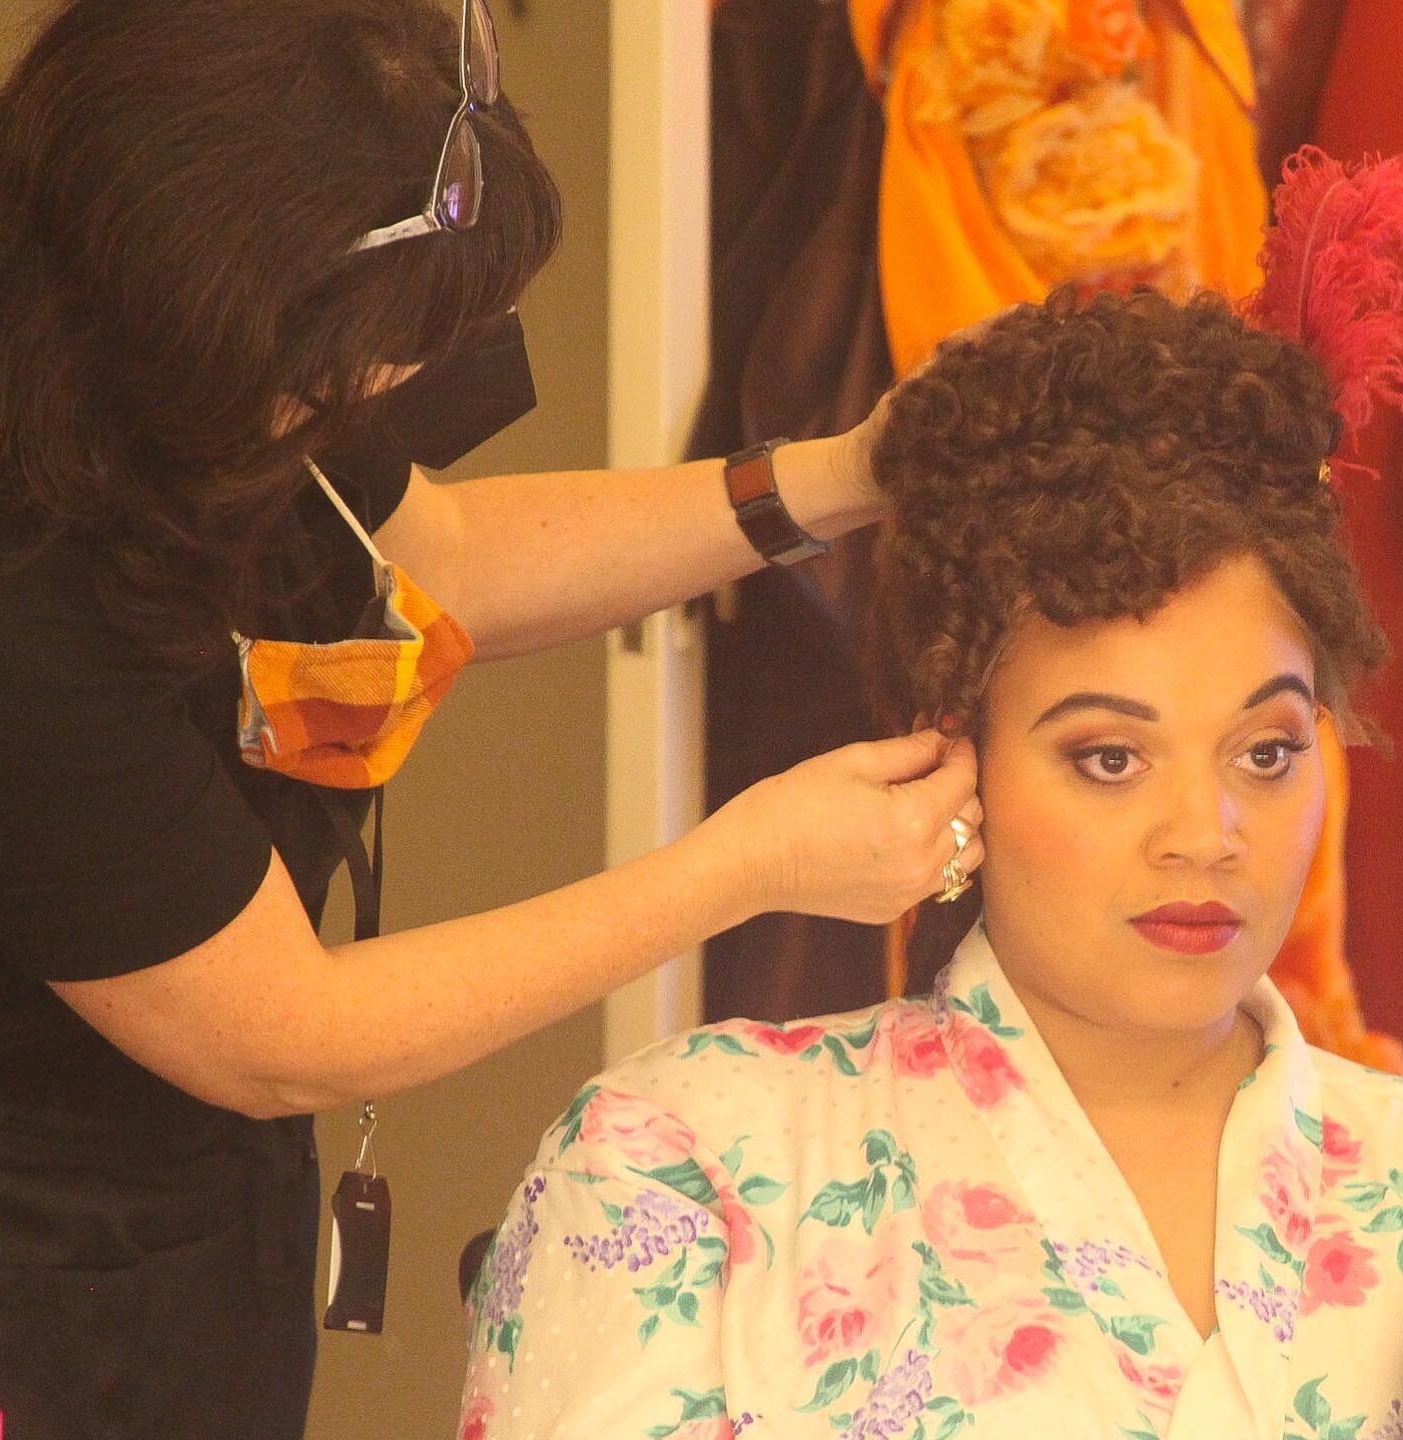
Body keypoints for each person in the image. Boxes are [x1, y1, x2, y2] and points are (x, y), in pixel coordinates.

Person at [0, 2, 985, 1437]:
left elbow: (426, 554)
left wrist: (838, 475)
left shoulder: (163, 327)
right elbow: (276, 1025)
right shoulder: (5, 589)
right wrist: (744, 865)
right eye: (368, 363)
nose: (391, 391)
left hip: (198, 1232)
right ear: (218, 309)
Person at [456, 285, 1403, 1439]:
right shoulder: (685, 1163)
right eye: (1110, 758)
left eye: (1265, 751)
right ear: (959, 756)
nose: (1206, 832)